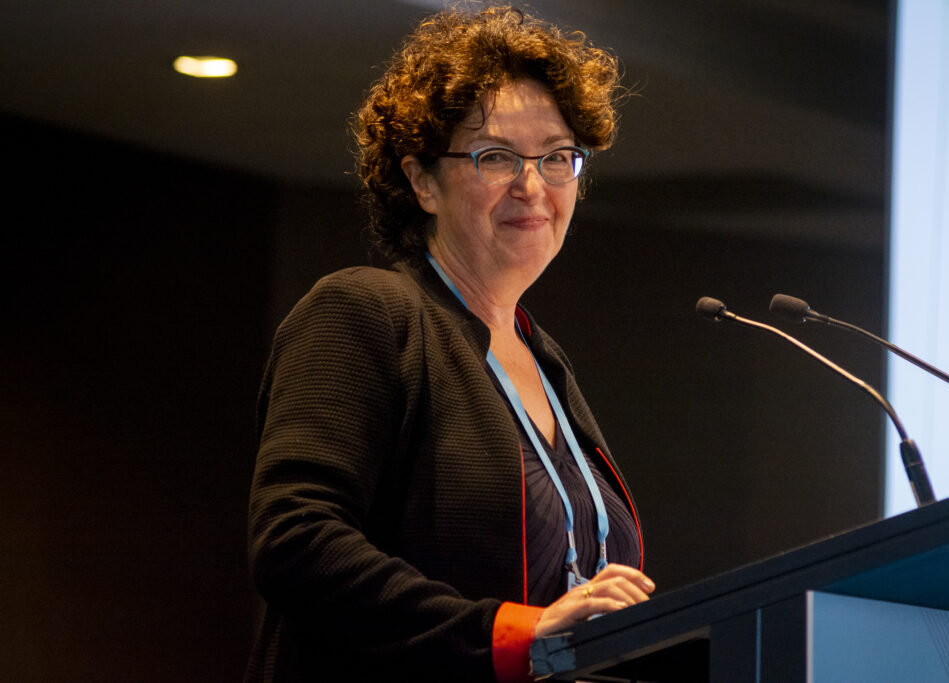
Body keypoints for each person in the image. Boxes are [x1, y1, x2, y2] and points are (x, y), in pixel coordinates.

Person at [246, 6, 654, 682]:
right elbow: (296, 541)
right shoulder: (365, 312)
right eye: (496, 157)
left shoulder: (545, 359)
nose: (533, 185)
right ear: (422, 181)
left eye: (557, 157)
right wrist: (511, 634)